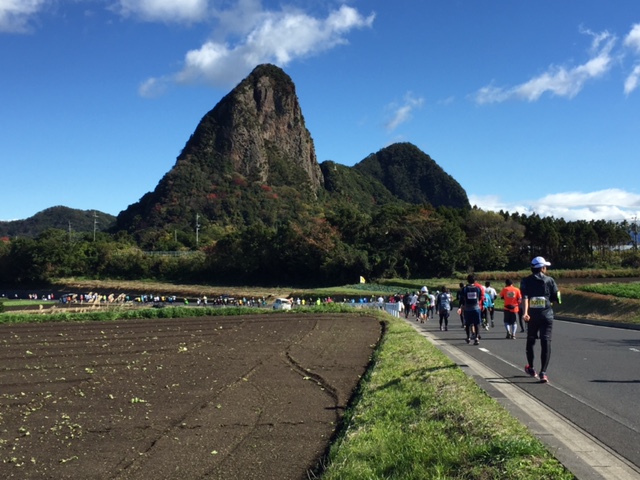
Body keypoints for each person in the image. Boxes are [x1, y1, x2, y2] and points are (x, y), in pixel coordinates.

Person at [520, 256, 560, 384]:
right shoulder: (550, 280)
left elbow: (525, 298)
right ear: (542, 268)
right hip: (547, 315)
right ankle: (543, 373)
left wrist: (525, 313)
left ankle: (531, 368)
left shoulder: (525, 281)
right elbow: (556, 297)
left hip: (532, 316)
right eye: (545, 267)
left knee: (531, 340)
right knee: (545, 341)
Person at [458, 274, 484, 345]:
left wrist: (461, 307)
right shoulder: (477, 288)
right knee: (477, 323)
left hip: (467, 308)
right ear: (475, 281)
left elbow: (462, 299)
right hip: (476, 308)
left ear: (467, 280)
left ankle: (468, 337)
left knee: (468, 323)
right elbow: (480, 297)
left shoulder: (465, 289)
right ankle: (476, 338)